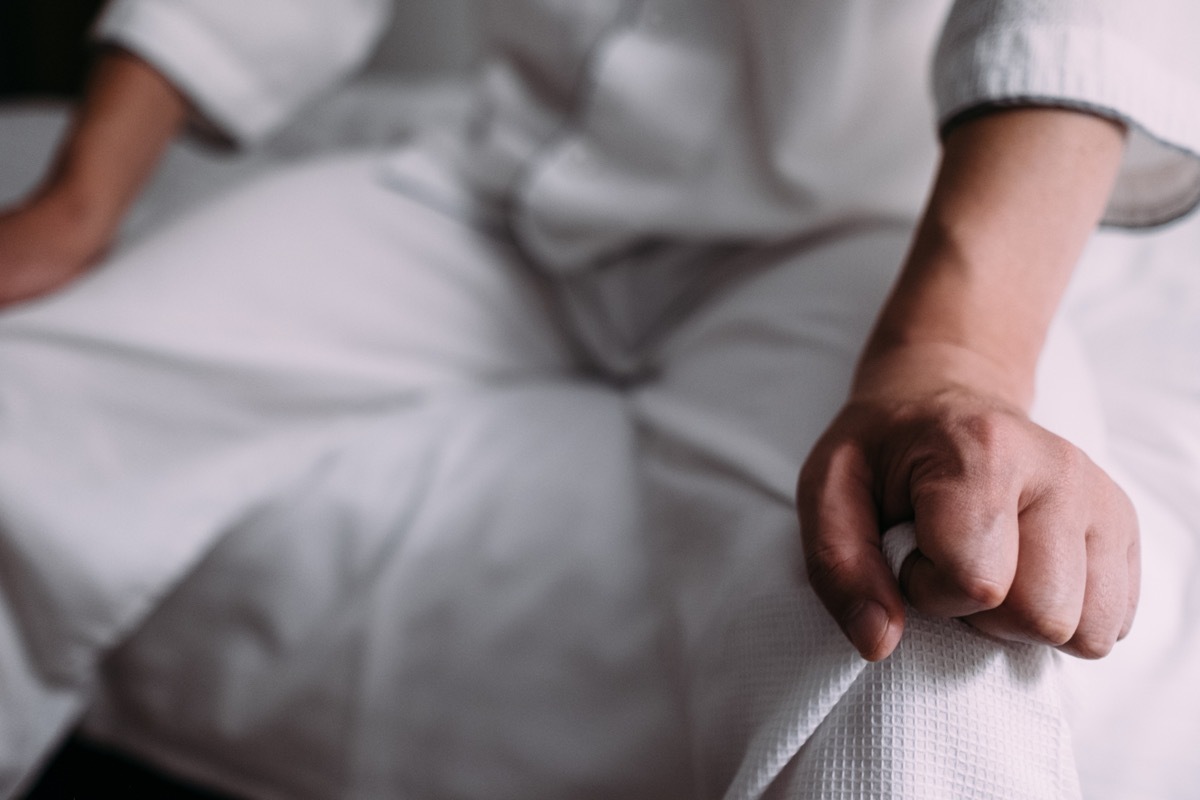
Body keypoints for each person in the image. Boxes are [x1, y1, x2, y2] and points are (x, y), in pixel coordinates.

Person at [0, 1, 1197, 797]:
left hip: (852, 226)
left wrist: (959, 355)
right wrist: (86, 191)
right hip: (497, 189)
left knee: (934, 585)